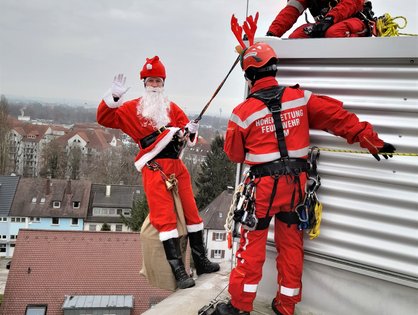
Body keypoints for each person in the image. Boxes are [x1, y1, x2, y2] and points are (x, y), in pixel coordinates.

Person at [214, 42, 396, 315]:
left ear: (249, 75)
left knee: (252, 247)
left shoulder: (242, 113)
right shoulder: (301, 99)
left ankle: (240, 307)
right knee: (291, 246)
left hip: (262, 189)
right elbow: (338, 118)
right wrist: (370, 139)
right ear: (273, 68)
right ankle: (286, 306)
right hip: (295, 186)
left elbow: (235, 154)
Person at [97, 56, 220, 289]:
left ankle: (201, 260)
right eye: (151, 81)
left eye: (158, 81)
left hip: (177, 166)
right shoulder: (131, 108)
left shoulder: (171, 108)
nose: (154, 85)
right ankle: (179, 271)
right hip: (155, 168)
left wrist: (190, 131)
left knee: (193, 213)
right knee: (165, 219)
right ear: (144, 83)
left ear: (163, 83)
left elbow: (185, 135)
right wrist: (113, 97)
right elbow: (105, 118)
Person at [266, 0, 374, 38]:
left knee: (334, 32)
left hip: (355, 21)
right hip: (326, 24)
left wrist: (330, 18)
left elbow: (351, 3)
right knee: (296, 37)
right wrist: (272, 34)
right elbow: (290, 12)